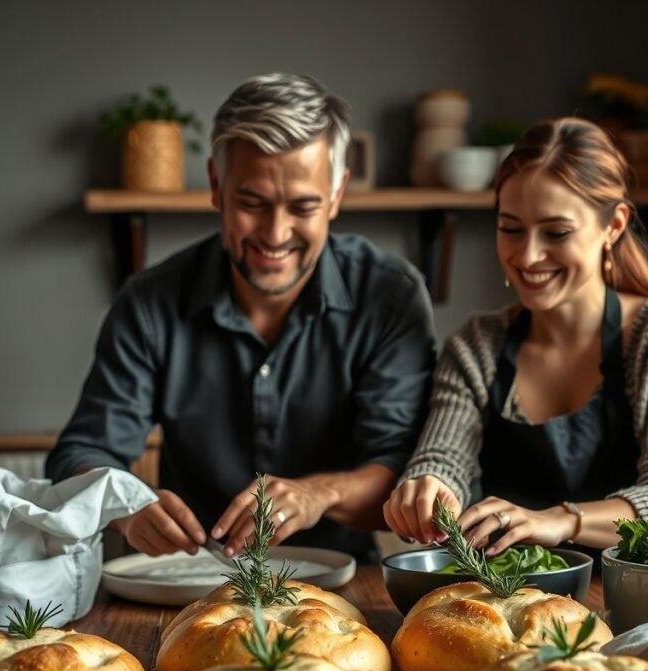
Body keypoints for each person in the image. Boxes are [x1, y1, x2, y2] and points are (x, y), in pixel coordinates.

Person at [47, 73, 435, 559]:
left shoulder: (390, 295)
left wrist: (319, 495)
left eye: (303, 206)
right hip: (191, 583)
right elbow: (78, 455)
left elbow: (403, 471)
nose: (275, 233)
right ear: (215, 185)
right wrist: (123, 505)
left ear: (336, 195)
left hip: (344, 589)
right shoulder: (150, 301)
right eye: (252, 203)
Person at [384, 117, 648, 554]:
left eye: (556, 232)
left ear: (614, 226)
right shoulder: (477, 345)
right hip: (507, 601)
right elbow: (443, 457)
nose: (527, 255)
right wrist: (428, 486)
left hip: (639, 600)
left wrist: (559, 521)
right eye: (510, 228)